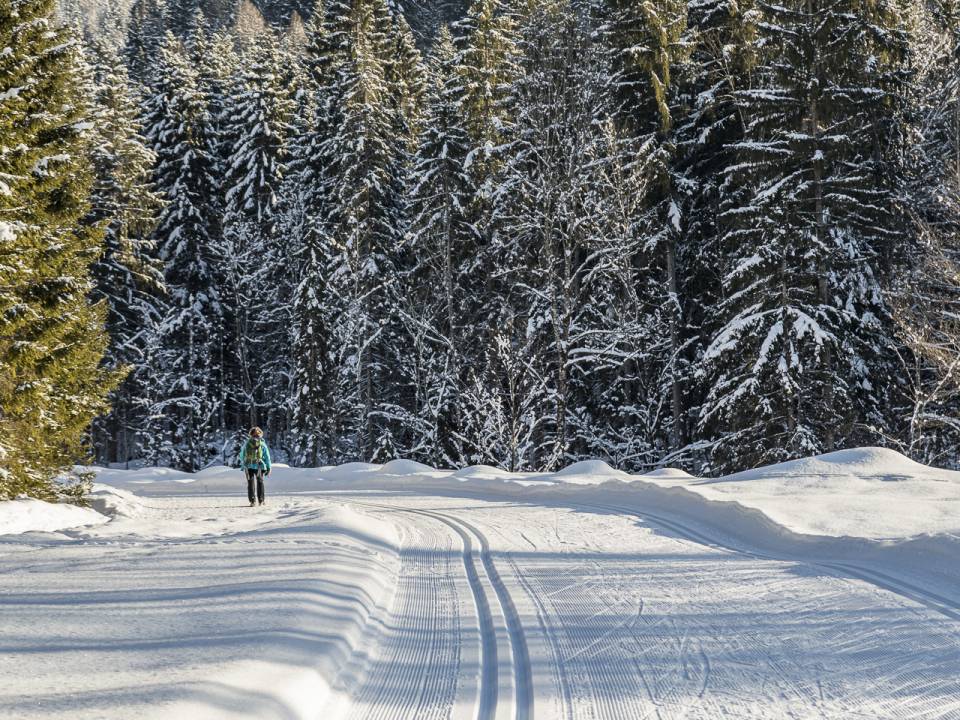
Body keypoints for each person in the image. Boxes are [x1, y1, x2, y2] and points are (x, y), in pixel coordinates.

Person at [237, 426, 271, 506]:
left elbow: (241, 455)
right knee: (260, 482)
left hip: (248, 466)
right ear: (261, 435)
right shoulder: (262, 444)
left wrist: (244, 462)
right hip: (259, 466)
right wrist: (268, 467)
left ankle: (252, 501)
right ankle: (261, 500)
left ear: (250, 435)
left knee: (250, 483)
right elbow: (267, 457)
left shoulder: (247, 444)